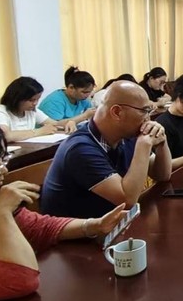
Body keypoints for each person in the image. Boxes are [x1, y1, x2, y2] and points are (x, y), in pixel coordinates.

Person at [0, 117, 128, 301]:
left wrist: (95, 225)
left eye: (2, 160)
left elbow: (40, 226)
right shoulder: (80, 147)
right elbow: (20, 281)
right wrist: (0, 214)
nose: (3, 171)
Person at [40, 81, 172, 218]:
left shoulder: (127, 135)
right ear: (117, 112)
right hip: (81, 230)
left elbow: (162, 175)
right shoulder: (80, 149)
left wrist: (162, 143)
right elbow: (127, 201)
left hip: (110, 223)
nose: (148, 118)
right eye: (144, 111)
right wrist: (143, 146)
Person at [0, 77, 77, 141]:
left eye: (37, 99)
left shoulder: (31, 110)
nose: (35, 103)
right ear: (17, 98)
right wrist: (38, 132)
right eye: (31, 100)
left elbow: (54, 123)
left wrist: (68, 123)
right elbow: (6, 136)